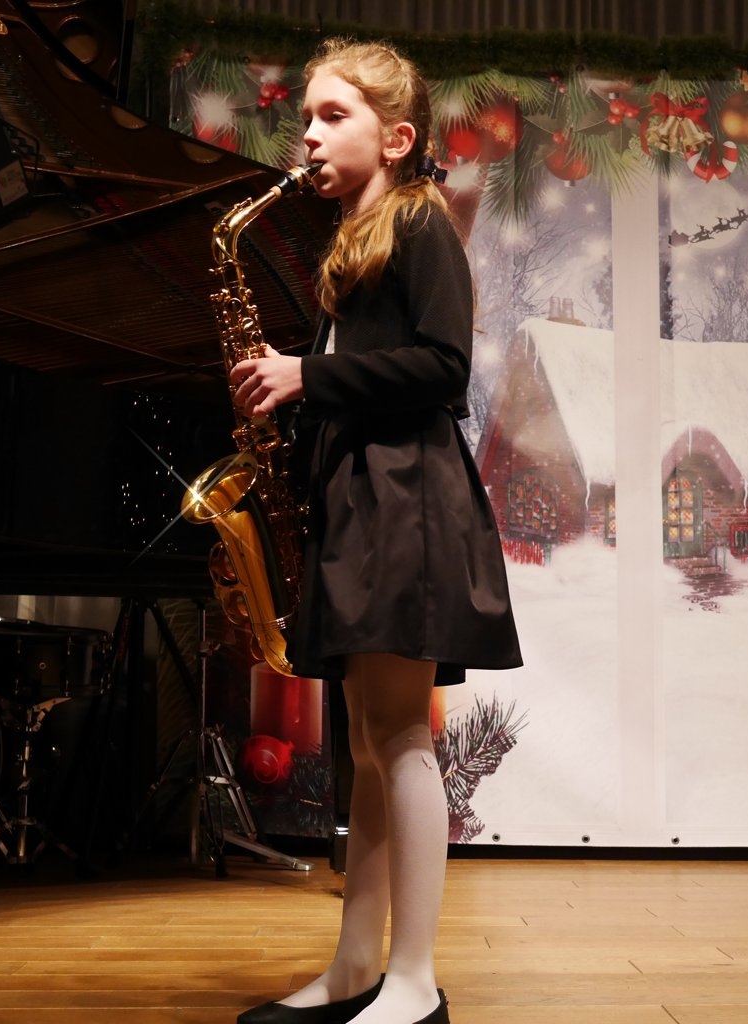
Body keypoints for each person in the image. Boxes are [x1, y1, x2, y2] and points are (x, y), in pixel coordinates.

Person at [228, 36, 522, 1024]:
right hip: (364, 498)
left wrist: (306, 375)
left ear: (395, 139)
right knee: (365, 743)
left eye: (332, 115)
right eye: (304, 118)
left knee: (398, 738)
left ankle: (413, 981)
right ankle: (357, 967)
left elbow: (444, 367)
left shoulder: (421, 221)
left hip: (405, 498)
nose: (307, 136)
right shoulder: (352, 239)